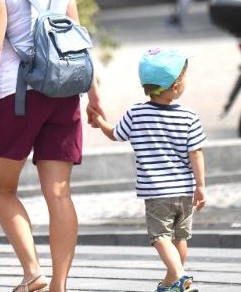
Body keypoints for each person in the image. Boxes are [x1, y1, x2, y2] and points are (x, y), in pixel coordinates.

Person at [0, 0, 104, 292]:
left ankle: (33, 274)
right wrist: (94, 97)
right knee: (59, 193)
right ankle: (60, 285)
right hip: (64, 94)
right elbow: (78, 45)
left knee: (2, 189)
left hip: (16, 97)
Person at [88, 48, 206, 292]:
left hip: (156, 191)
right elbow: (196, 153)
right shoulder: (188, 117)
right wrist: (201, 186)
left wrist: (99, 122)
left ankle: (179, 277)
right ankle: (171, 282)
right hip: (184, 189)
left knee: (160, 237)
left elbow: (115, 134)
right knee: (179, 237)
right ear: (175, 86)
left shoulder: (136, 114)